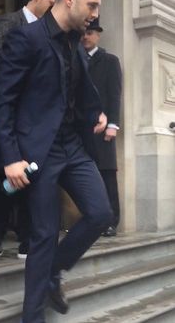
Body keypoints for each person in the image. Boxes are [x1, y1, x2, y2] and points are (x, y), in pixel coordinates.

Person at [0, 0, 113, 323]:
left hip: (72, 146)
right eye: (91, 6)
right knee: (44, 234)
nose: (94, 14)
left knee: (101, 213)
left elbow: (76, 91)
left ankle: (53, 272)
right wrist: (11, 157)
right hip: (37, 152)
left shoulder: (74, 41)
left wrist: (97, 116)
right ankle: (33, 317)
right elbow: (3, 100)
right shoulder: (26, 38)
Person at [0, 0, 57, 259]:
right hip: (8, 113)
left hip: (34, 118)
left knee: (29, 173)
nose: (53, 8)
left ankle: (20, 234)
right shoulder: (8, 23)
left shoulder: (49, 31)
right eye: (51, 1)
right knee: (16, 173)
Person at [82, 17, 122, 236]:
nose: (86, 36)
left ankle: (111, 221)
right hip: (81, 131)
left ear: (98, 35)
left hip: (104, 130)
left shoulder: (110, 61)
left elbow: (114, 95)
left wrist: (113, 125)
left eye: (90, 33)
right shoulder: (75, 59)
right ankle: (92, 220)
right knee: (87, 177)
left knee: (107, 175)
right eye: (84, 33)